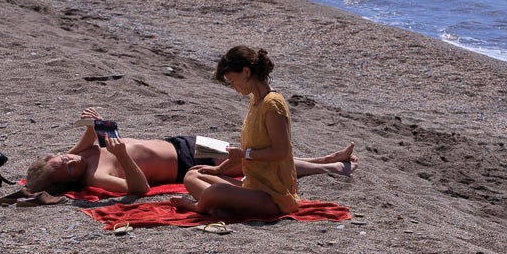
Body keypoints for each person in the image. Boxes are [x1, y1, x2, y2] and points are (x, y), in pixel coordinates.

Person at [24, 106, 355, 197]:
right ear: (70, 180)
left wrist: (89, 120)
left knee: (245, 151)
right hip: (183, 162)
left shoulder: (81, 154)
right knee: (251, 161)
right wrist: (123, 156)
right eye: (66, 167)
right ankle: (327, 168)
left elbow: (81, 136)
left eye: (61, 157)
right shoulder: (96, 175)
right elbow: (138, 189)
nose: (69, 160)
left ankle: (321, 160)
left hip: (182, 142)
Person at [171, 46, 299, 219]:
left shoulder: (272, 104)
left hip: (274, 196)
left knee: (215, 191)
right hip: (252, 185)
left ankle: (199, 207)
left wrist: (245, 154)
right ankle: (217, 208)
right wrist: (218, 170)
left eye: (232, 80)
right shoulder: (256, 100)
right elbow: (246, 154)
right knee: (193, 175)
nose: (233, 86)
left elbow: (281, 151)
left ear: (246, 72)